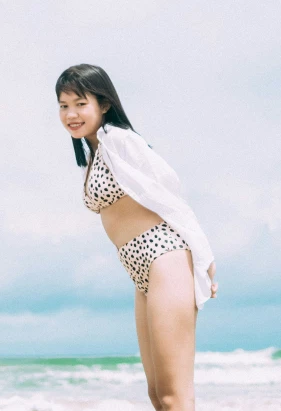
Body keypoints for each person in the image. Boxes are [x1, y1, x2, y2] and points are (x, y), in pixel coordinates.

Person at [56, 63, 218, 411]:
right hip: (139, 268)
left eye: (80, 103)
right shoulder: (95, 153)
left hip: (164, 255)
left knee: (175, 397)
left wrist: (204, 259)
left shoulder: (119, 140)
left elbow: (172, 195)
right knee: (158, 396)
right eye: (64, 105)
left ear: (104, 104)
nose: (71, 113)